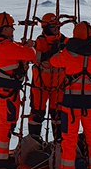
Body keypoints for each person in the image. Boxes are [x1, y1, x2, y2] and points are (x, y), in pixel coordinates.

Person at [49, 22, 91, 169]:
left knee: (69, 140)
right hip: (90, 105)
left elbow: (54, 61)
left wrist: (66, 46)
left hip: (70, 105)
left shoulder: (68, 55)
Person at [0, 12, 36, 169]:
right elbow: (30, 56)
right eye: (11, 28)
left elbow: (15, 54)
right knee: (7, 123)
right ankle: (1, 159)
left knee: (2, 122)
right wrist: (29, 47)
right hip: (7, 92)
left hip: (1, 90)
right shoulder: (6, 47)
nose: (13, 31)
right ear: (4, 29)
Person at [28, 13, 67, 141]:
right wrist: (50, 53)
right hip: (40, 86)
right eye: (52, 26)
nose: (56, 28)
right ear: (45, 27)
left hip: (59, 86)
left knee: (58, 115)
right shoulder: (39, 42)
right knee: (37, 114)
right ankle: (35, 142)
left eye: (57, 25)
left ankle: (58, 143)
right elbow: (34, 57)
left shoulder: (65, 41)